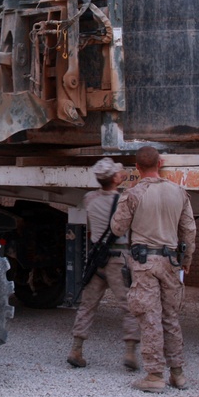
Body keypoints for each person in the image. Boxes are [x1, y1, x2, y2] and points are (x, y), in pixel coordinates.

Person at [111, 146, 197, 393]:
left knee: (149, 319)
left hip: (144, 262)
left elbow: (117, 228)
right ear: (160, 163)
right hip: (171, 262)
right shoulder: (179, 192)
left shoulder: (133, 194)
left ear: (136, 168)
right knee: (170, 317)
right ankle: (178, 374)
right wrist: (187, 259)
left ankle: (155, 375)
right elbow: (189, 230)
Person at [67, 158, 140, 372]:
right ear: (115, 178)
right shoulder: (124, 200)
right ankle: (129, 352)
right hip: (119, 258)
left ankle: (76, 349)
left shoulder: (89, 198)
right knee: (129, 307)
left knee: (87, 306)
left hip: (97, 259)